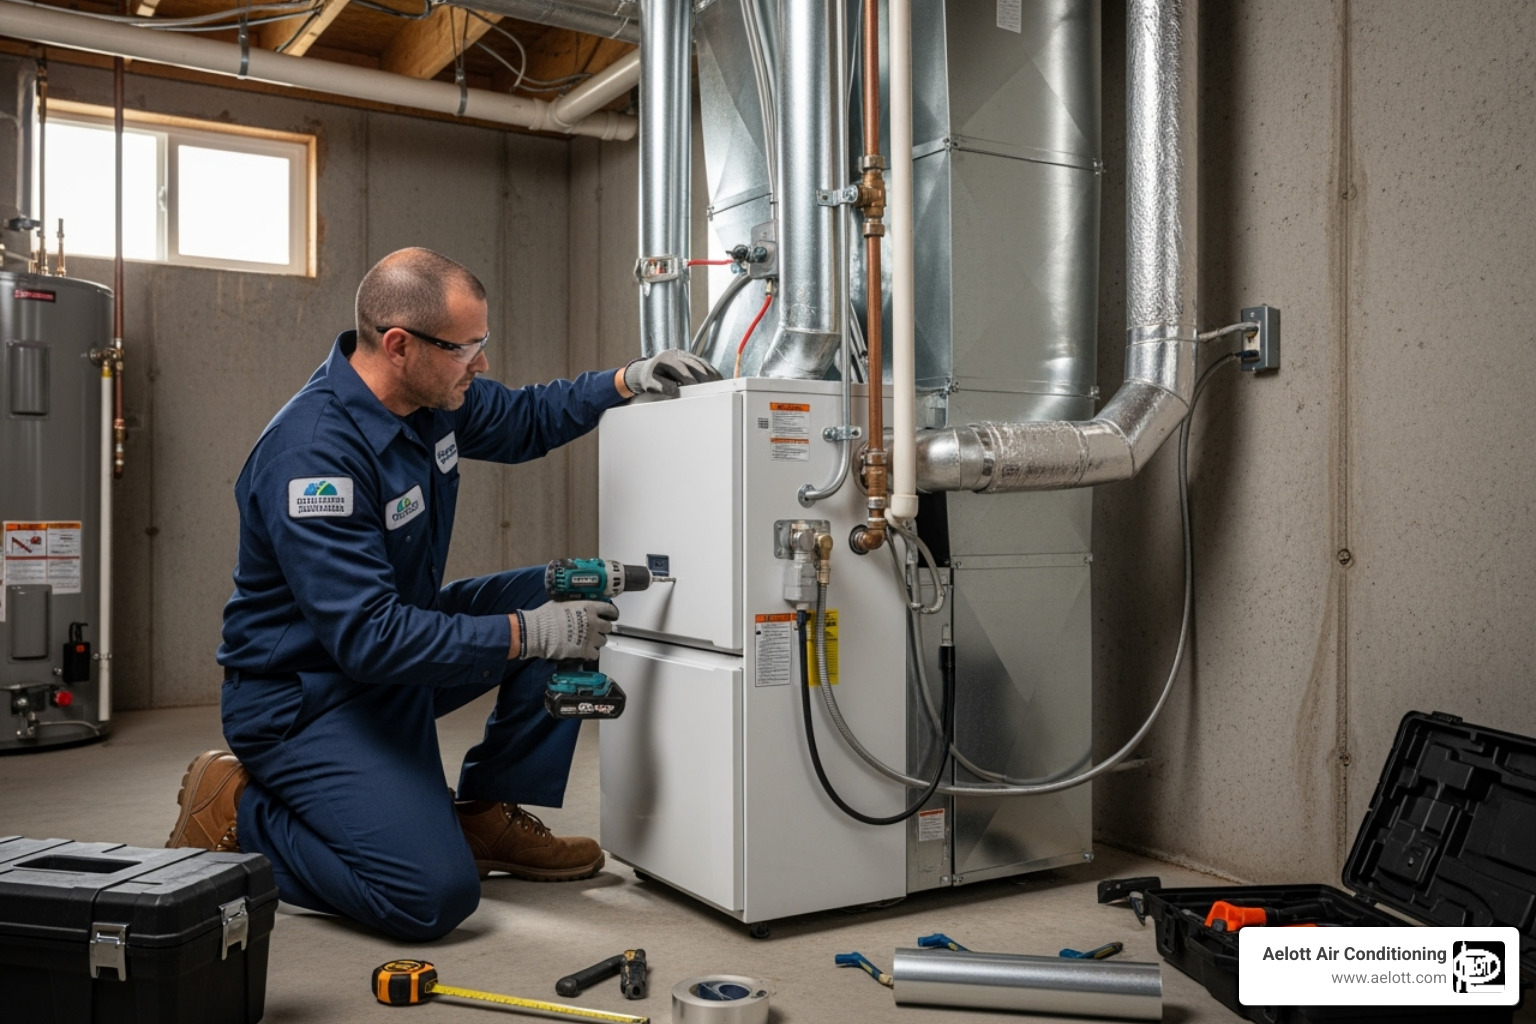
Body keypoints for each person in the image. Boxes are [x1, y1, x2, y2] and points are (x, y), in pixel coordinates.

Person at [165, 247, 718, 941]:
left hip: (395, 655)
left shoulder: (431, 399)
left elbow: (526, 419)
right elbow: (369, 640)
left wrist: (625, 381)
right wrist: (528, 634)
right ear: (399, 345)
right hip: (308, 698)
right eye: (467, 347)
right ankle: (241, 809)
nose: (480, 363)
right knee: (428, 897)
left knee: (572, 591)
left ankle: (485, 813)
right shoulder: (313, 458)